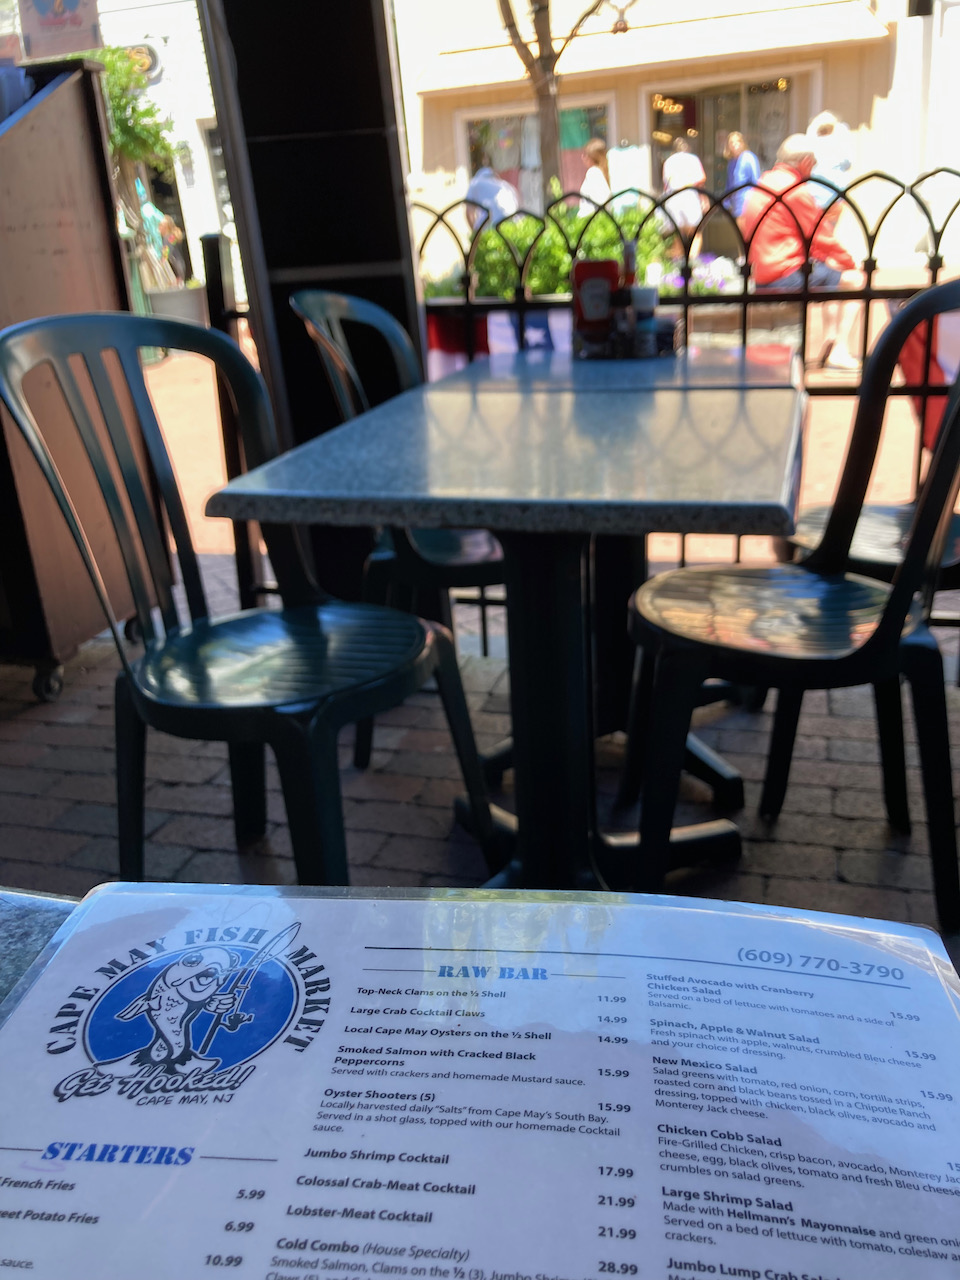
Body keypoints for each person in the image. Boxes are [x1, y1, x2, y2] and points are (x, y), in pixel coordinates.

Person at [741, 134, 862, 370]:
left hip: (762, 272)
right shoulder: (794, 190)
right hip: (783, 275)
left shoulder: (764, 183)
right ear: (805, 161)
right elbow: (821, 235)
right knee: (855, 281)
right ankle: (839, 350)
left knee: (831, 271)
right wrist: (851, 263)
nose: (813, 170)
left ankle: (830, 340)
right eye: (814, 164)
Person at [661, 137, 707, 260]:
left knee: (677, 235)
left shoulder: (668, 162)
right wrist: (703, 199)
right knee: (695, 233)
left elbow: (666, 184)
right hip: (689, 197)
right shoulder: (693, 159)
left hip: (673, 199)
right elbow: (701, 179)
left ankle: (679, 264)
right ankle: (692, 262)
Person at [464, 156, 520, 231]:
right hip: (512, 226)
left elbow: (469, 213)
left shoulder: (475, 183)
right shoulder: (505, 185)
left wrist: (474, 234)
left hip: (492, 227)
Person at [722, 131, 760, 229]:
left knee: (747, 234)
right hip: (736, 204)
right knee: (741, 234)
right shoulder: (731, 162)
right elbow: (730, 184)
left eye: (737, 142)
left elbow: (756, 180)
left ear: (742, 143)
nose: (735, 145)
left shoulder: (749, 158)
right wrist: (726, 203)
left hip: (748, 202)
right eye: (731, 143)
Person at [579, 137, 611, 217]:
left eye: (585, 155)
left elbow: (601, 200)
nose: (582, 157)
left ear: (592, 157)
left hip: (590, 220)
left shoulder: (593, 172)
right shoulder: (603, 171)